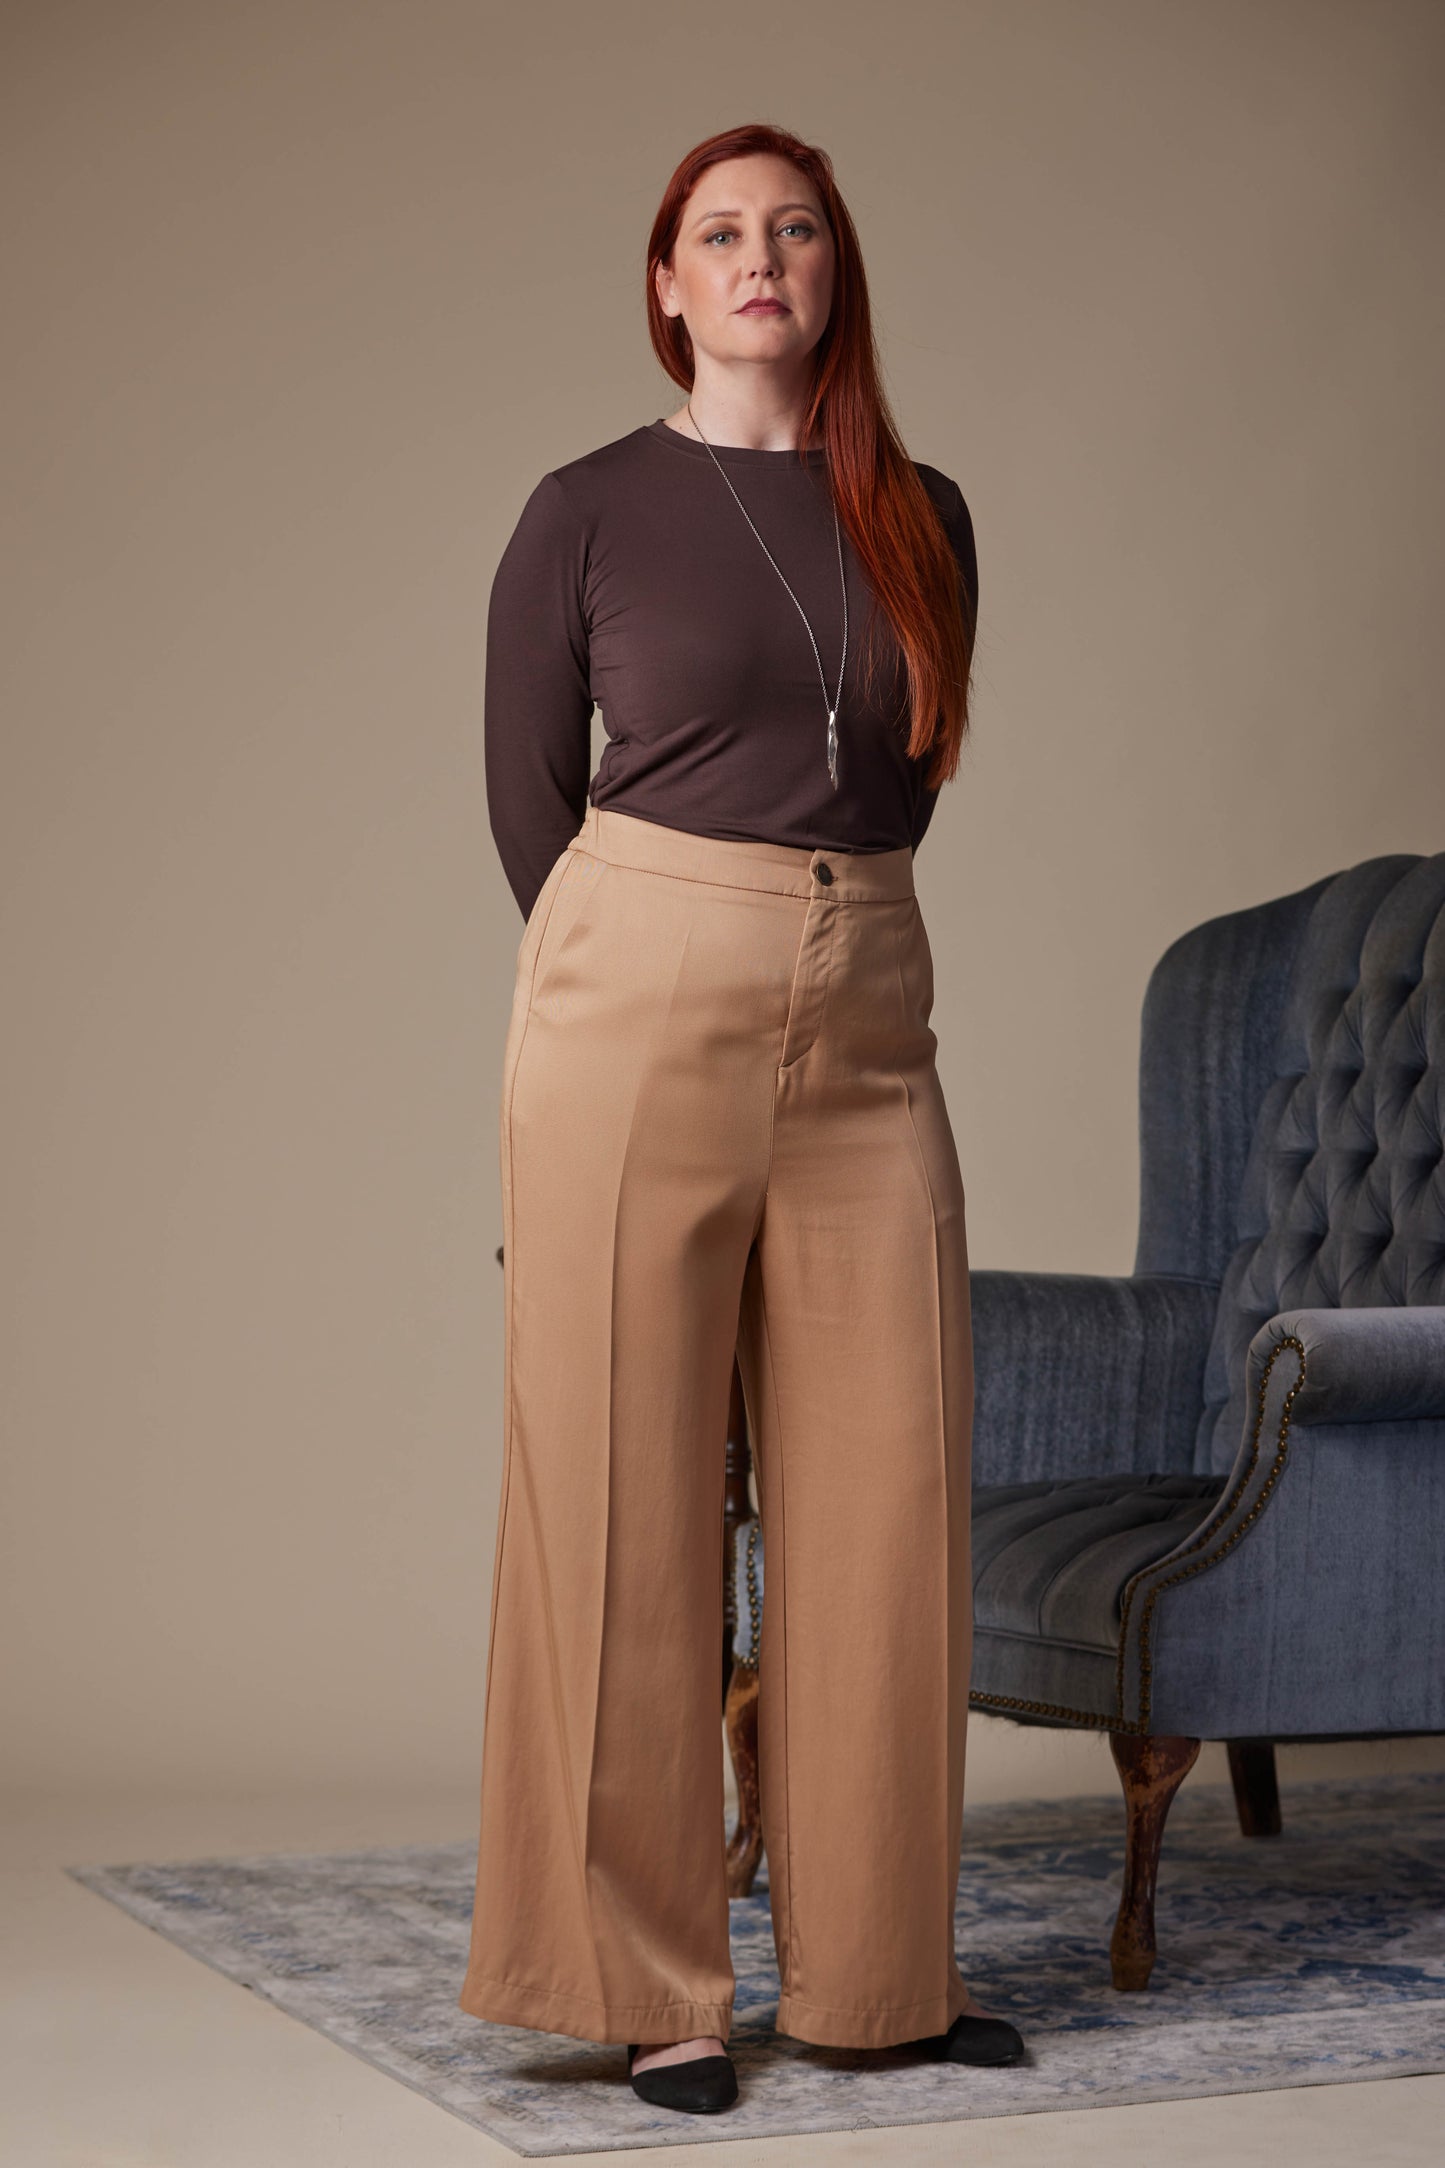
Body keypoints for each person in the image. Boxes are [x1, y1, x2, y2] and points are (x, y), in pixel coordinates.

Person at [457, 121, 1026, 2117]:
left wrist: (797, 933)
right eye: (722, 232)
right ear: (667, 285)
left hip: (871, 1006)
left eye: (796, 227)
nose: (761, 255)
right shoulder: (589, 508)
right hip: (635, 1001)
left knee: (887, 1493)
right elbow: (536, 794)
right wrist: (650, 953)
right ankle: (653, 1984)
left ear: (834, 271)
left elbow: (910, 768)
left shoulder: (922, 508)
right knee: (621, 1485)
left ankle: (880, 1977)